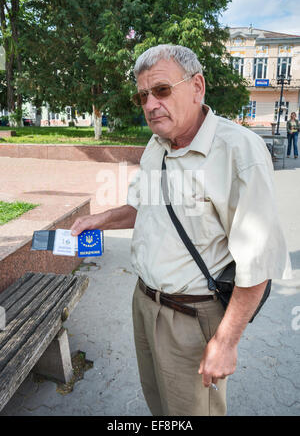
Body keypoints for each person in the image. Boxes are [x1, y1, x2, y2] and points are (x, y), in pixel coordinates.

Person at [71, 44, 291, 416]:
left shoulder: (239, 151)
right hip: (144, 303)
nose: (150, 104)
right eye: (143, 95)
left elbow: (260, 262)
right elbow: (145, 207)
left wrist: (226, 341)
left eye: (161, 90)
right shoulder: (157, 144)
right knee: (159, 406)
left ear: (197, 86)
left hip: (193, 317)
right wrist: (100, 220)